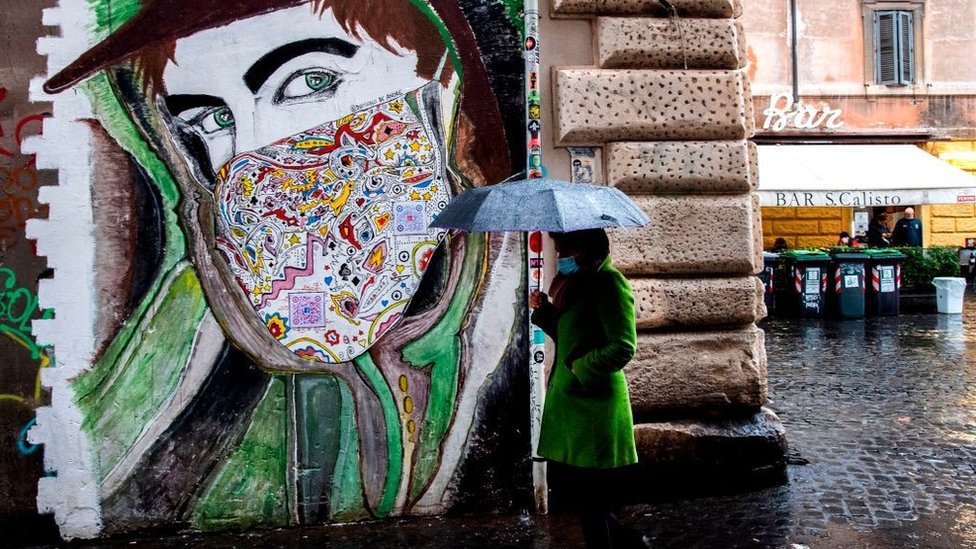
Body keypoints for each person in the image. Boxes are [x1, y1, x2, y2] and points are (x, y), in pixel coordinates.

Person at [42, 0, 525, 529]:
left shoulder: (507, 303)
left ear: (443, 82)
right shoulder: (189, 332)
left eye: (311, 81)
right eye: (212, 120)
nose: (251, 154)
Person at [529, 229, 646, 549]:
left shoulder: (610, 283)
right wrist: (545, 314)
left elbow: (623, 347)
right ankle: (632, 545)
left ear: (583, 250)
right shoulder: (578, 284)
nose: (561, 257)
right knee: (587, 503)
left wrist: (581, 368)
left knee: (592, 505)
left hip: (593, 411)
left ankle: (626, 545)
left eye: (564, 249)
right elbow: (573, 336)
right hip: (573, 411)